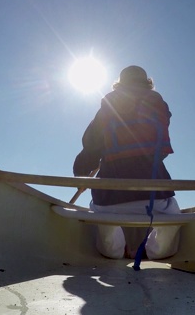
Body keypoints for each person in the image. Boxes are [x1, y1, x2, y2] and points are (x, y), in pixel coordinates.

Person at [73, 65, 181, 260]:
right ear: (147, 83)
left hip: (109, 198)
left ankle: (114, 252)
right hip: (156, 197)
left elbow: (90, 148)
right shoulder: (159, 106)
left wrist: (81, 173)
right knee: (173, 217)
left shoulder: (107, 107)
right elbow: (157, 149)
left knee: (100, 214)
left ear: (118, 85)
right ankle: (156, 252)